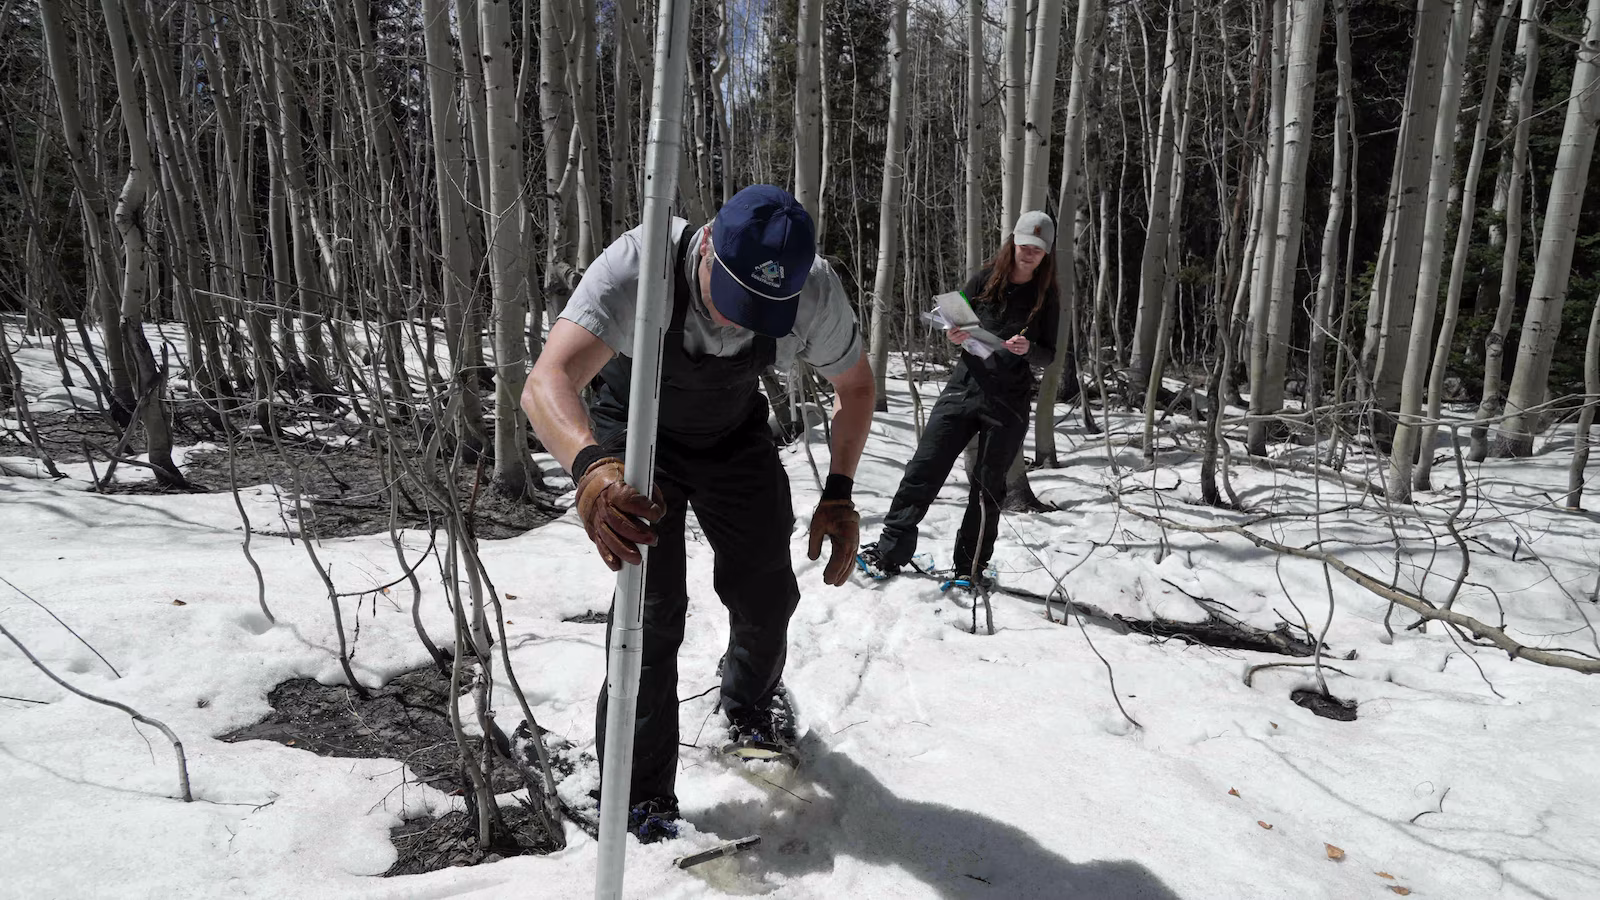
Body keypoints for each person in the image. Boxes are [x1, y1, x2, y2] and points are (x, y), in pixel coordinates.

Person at [521, 185, 875, 842]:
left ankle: (750, 701)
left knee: (768, 588)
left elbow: (855, 387)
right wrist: (590, 469)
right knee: (652, 613)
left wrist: (840, 492)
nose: (739, 322)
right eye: (733, 297)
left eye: (762, 311)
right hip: (635, 435)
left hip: (732, 433)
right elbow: (547, 380)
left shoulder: (815, 291)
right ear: (707, 244)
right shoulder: (640, 263)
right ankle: (637, 795)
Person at [857, 210, 1059, 586]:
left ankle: (970, 567)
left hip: (1008, 403)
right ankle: (889, 552)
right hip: (964, 388)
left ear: (1046, 252)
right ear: (1013, 242)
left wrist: (1029, 349)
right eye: (1025, 245)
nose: (1029, 253)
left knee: (988, 488)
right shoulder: (985, 278)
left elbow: (1049, 354)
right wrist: (954, 334)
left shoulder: (1046, 296)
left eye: (1038, 248)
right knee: (923, 469)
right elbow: (956, 317)